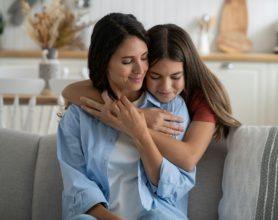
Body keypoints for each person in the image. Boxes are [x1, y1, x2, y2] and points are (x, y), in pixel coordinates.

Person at [57, 13, 195, 220]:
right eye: (127, 61)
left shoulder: (171, 108)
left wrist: (138, 131)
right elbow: (77, 187)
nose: (140, 69)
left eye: (144, 57)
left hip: (157, 214)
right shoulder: (77, 116)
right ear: (105, 63)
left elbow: (175, 187)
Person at [63, 23, 241, 173]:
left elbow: (189, 158)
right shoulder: (138, 80)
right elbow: (70, 91)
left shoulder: (202, 97)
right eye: (155, 77)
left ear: (188, 71)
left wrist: (129, 123)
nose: (165, 87)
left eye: (176, 77)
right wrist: (138, 114)